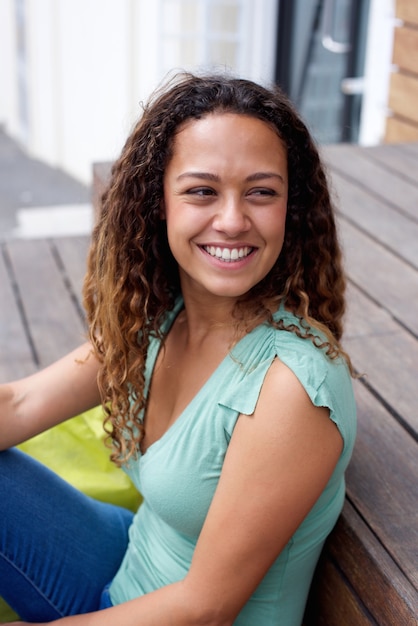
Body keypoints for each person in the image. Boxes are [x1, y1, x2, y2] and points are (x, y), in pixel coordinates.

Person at [0, 72, 356, 626]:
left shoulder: (290, 389)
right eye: (202, 191)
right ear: (158, 201)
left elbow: (205, 608)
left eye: (261, 192)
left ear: (291, 207)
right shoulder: (158, 315)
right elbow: (17, 405)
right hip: (127, 559)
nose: (234, 220)